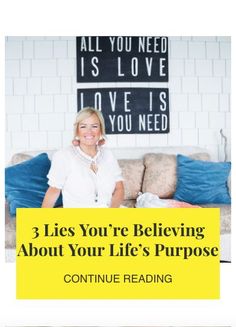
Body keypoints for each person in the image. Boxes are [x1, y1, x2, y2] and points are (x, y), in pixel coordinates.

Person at [42, 107, 124, 208]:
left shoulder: (108, 155)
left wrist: (112, 214)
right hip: (78, 219)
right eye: (83, 126)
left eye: (94, 126)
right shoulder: (63, 156)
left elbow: (119, 188)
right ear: (77, 131)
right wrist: (41, 219)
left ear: (101, 130)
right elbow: (53, 191)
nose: (89, 131)